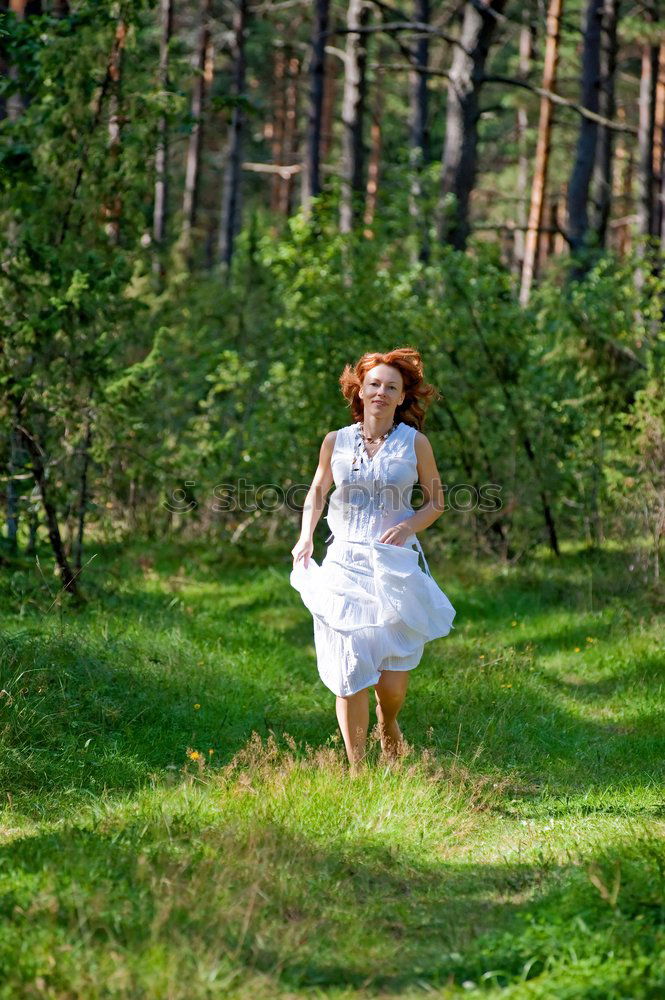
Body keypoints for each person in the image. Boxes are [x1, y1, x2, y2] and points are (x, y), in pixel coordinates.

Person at [290, 347, 456, 774]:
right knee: (350, 670)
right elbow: (317, 492)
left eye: (391, 387)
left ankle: (390, 725)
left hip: (392, 566)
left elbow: (436, 501)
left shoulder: (414, 443)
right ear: (360, 391)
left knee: (391, 684)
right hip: (343, 562)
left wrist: (408, 527)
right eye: (374, 384)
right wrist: (305, 537)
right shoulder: (336, 441)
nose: (381, 392)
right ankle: (359, 773)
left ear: (402, 397)